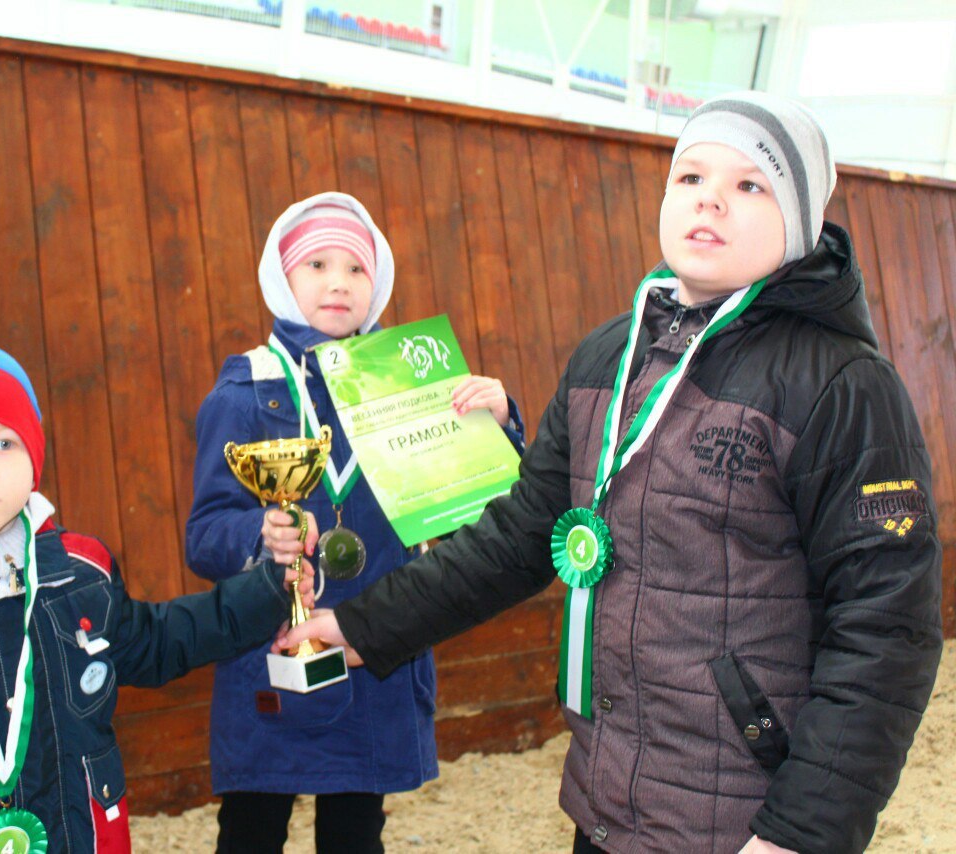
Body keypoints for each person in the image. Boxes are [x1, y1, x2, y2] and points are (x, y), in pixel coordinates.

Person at [278, 94, 943, 854]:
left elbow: (887, 630)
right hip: (605, 803)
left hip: (745, 824)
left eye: (750, 184)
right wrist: (367, 624)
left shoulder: (844, 386)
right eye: (689, 177)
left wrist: (804, 830)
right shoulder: (607, 357)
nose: (711, 200)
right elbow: (519, 536)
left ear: (800, 219)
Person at [0, 336, 312, 852]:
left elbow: (160, 641)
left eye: (4, 443)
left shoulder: (82, 573)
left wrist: (271, 588)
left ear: (35, 462)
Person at [186, 191, 526, 853]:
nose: (338, 281)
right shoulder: (241, 392)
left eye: (356, 268)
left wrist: (501, 425)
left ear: (379, 284)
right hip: (273, 651)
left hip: (374, 646)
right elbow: (204, 536)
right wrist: (257, 535)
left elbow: (485, 521)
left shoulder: (411, 388)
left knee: (355, 832)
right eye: (316, 265)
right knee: (250, 829)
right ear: (280, 280)